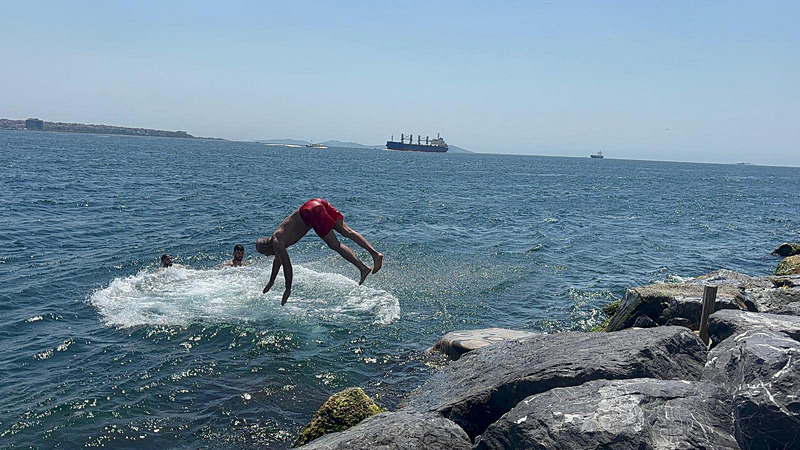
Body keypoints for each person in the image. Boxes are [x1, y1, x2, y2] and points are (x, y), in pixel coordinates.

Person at [256, 198, 383, 305]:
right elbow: (278, 261)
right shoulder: (278, 237)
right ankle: (375, 254)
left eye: (264, 254)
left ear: (266, 248)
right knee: (347, 231)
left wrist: (287, 289)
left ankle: (363, 268)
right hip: (316, 202)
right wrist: (271, 281)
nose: (267, 256)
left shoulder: (277, 242)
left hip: (312, 213)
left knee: (334, 244)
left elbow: (287, 266)